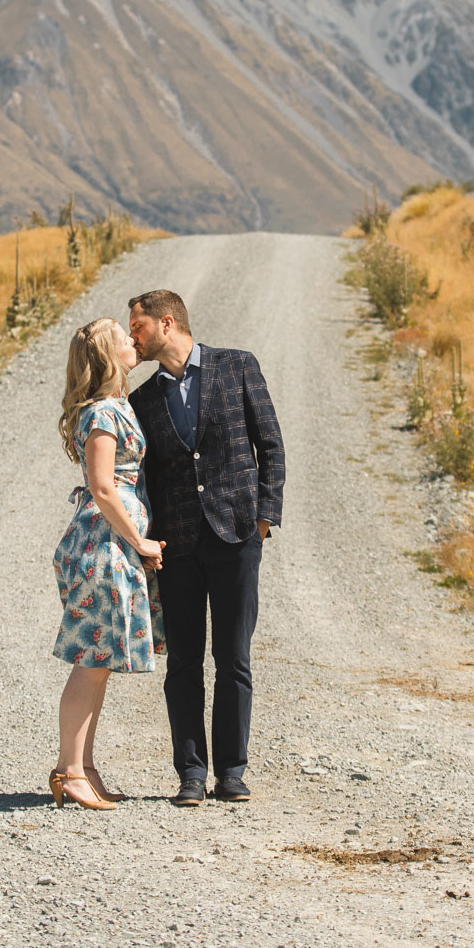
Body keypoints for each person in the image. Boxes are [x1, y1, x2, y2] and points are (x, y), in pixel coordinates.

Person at [126, 290, 285, 806]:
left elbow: (271, 444)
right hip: (178, 546)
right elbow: (146, 477)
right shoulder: (142, 400)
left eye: (139, 327)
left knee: (234, 658)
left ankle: (232, 771)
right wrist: (146, 542)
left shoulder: (237, 366)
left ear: (167, 323)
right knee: (185, 664)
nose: (134, 337)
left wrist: (265, 517)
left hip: (237, 535)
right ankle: (191, 773)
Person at [48, 318, 166, 810]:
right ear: (105, 354)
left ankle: (84, 769)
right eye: (124, 337)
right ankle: (69, 770)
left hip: (113, 542)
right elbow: (102, 485)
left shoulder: (116, 406)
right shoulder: (101, 413)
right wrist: (139, 540)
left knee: (99, 662)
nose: (133, 341)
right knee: (91, 661)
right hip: (106, 543)